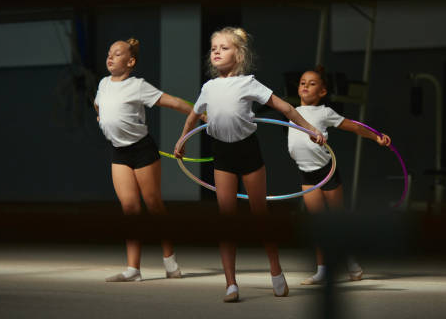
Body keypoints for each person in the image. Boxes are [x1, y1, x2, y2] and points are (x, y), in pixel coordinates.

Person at [174, 27, 326, 302]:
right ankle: (231, 283)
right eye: (214, 48)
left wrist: (311, 130)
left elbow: (287, 110)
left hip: (248, 153)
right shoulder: (208, 87)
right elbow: (194, 116)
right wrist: (182, 140)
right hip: (222, 156)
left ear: (239, 54)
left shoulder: (249, 83)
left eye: (224, 47)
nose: (217, 51)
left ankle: (276, 272)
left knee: (260, 215)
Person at [95, 37, 198, 282]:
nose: (110, 57)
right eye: (109, 52)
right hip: (119, 152)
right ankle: (133, 269)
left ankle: (170, 261)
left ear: (130, 61)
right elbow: (98, 104)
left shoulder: (138, 85)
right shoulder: (102, 84)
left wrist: (200, 114)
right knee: (130, 208)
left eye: (117, 54)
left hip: (142, 150)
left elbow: (171, 102)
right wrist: (102, 117)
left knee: (153, 205)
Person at [287, 67, 391, 284]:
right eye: (302, 82)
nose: (305, 85)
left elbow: (353, 127)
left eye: (312, 83)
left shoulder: (324, 112)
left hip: (326, 172)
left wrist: (377, 137)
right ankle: (323, 270)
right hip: (306, 174)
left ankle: (351, 262)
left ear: (322, 92)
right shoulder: (291, 111)